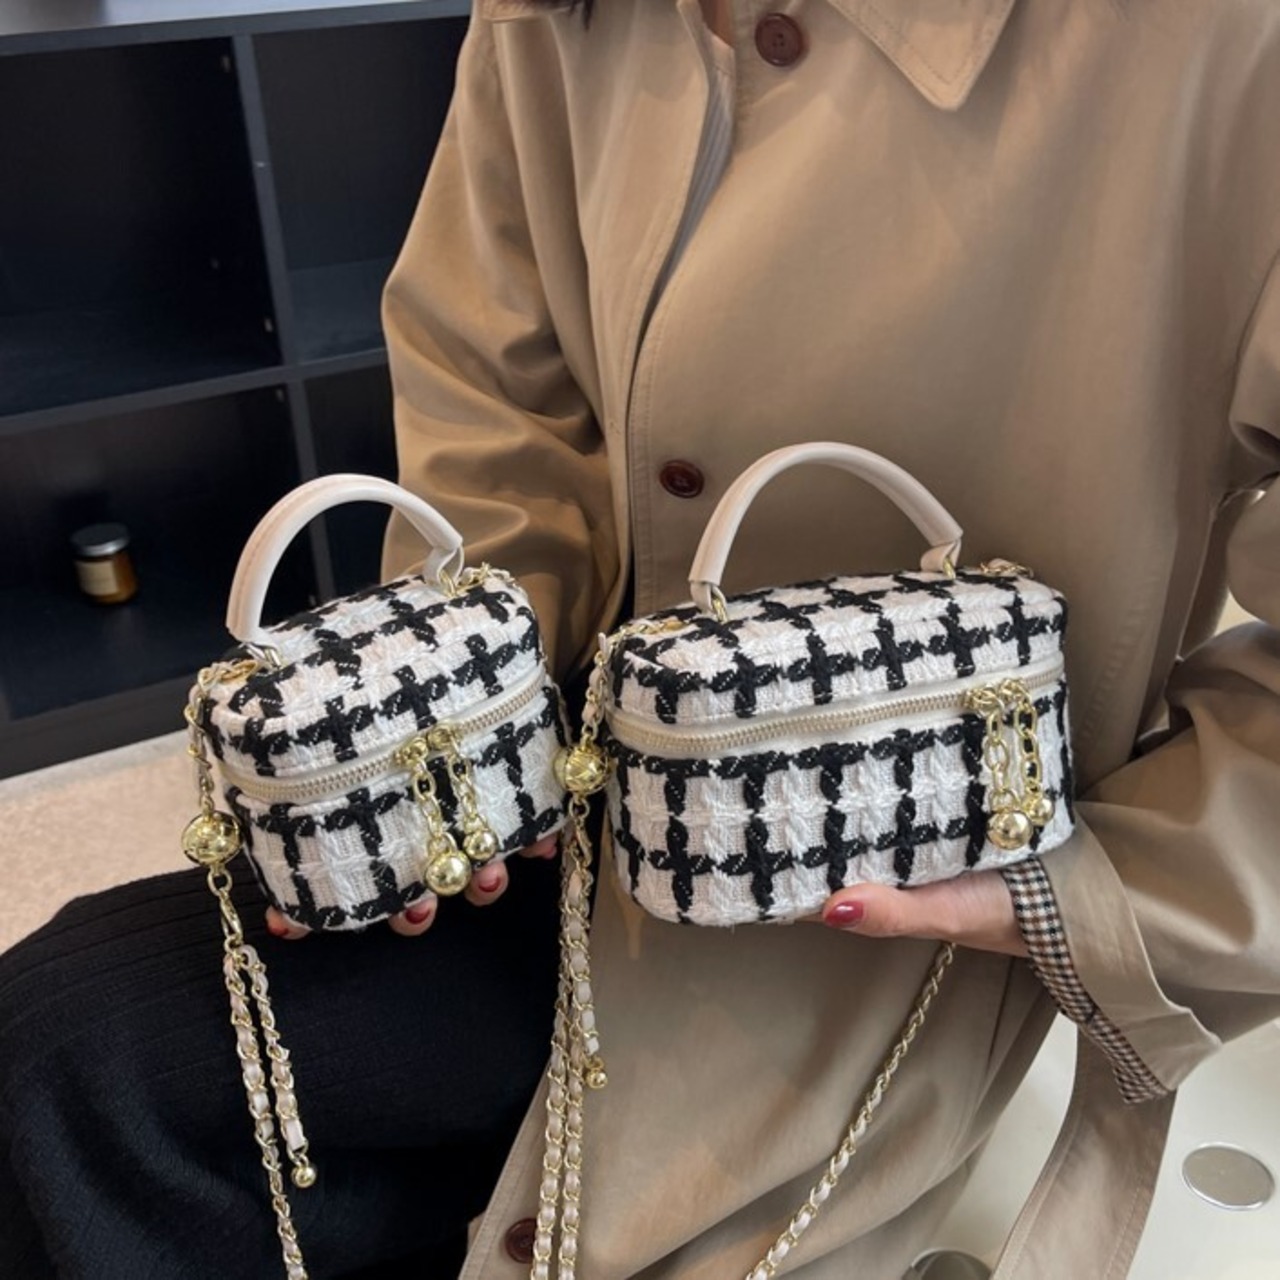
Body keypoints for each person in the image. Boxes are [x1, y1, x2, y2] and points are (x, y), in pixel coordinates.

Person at [3, 0, 1280, 1276]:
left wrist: (1104, 894)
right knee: (70, 1053)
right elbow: (491, 390)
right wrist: (464, 734)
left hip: (904, 906)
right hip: (567, 801)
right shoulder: (548, 22)